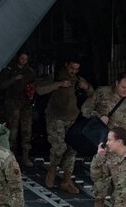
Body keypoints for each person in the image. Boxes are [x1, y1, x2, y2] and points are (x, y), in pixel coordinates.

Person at [83, 73, 126, 207]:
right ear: (116, 83)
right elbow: (85, 109)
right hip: (105, 144)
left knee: (120, 179)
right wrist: (99, 116)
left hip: (123, 149)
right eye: (123, 87)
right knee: (102, 177)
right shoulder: (102, 93)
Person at [36, 58, 89, 194]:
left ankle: (66, 180)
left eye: (76, 69)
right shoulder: (54, 76)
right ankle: (52, 169)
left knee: (72, 149)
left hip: (73, 119)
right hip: (56, 118)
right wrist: (59, 84)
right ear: (66, 65)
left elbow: (93, 95)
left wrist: (86, 87)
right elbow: (40, 90)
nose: (74, 71)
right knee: (59, 146)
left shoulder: (78, 79)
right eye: (72, 68)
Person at [0, 51, 36, 169]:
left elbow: (34, 86)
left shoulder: (29, 72)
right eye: (22, 58)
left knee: (27, 131)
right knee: (12, 132)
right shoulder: (9, 69)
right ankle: (10, 157)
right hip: (12, 103)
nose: (23, 61)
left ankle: (25, 156)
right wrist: (14, 79)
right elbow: (1, 85)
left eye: (25, 59)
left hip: (26, 104)